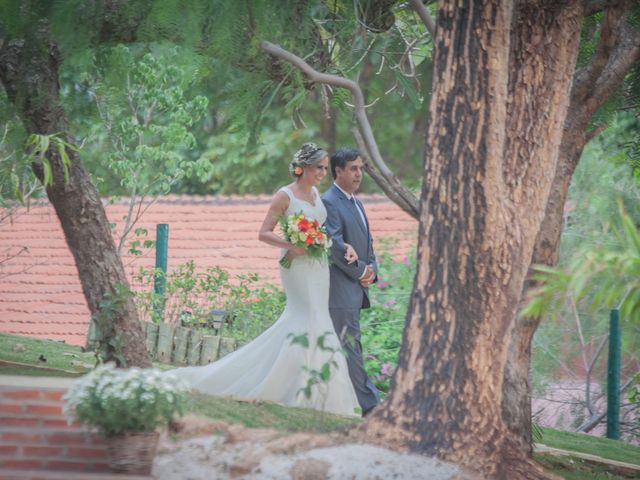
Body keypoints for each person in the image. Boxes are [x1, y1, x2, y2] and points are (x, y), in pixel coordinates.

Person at [171, 143, 359, 417]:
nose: (323, 172)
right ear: (304, 167)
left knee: (319, 318)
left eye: (324, 167)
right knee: (303, 316)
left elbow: (322, 230)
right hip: (295, 265)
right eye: (319, 167)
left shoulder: (317, 194)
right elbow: (264, 233)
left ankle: (318, 393)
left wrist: (341, 247)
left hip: (318, 265)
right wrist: (292, 245)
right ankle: (289, 386)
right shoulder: (284, 196)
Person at [321, 147, 380, 417]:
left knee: (349, 346)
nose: (359, 173)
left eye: (361, 168)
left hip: (356, 288)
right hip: (339, 290)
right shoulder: (330, 201)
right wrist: (360, 272)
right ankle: (372, 406)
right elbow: (334, 246)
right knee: (351, 347)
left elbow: (367, 244)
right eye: (353, 168)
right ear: (339, 171)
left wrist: (372, 270)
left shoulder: (357, 202)